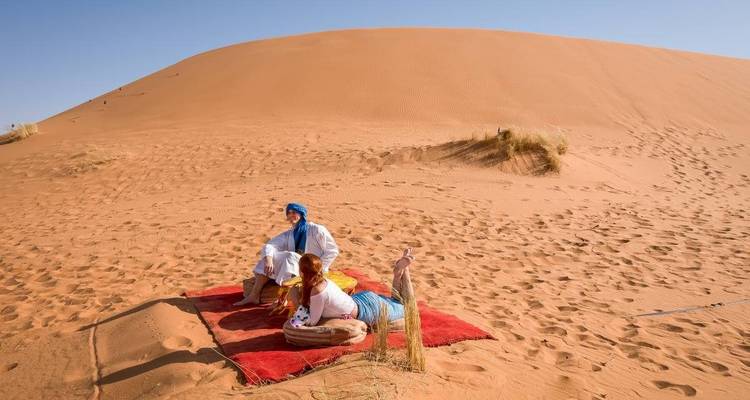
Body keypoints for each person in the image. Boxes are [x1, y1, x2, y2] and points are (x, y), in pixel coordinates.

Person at [234, 203, 339, 306]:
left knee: (290, 256)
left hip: (316, 271)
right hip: (297, 269)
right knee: (269, 257)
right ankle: (254, 295)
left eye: (294, 212)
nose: (291, 215)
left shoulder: (317, 230)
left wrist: (318, 269)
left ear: (301, 214)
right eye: (288, 213)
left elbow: (332, 250)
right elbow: (269, 245)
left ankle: (283, 298)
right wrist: (269, 260)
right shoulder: (289, 234)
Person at [293, 248, 415, 327]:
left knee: (408, 308)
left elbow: (312, 322)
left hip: (367, 310)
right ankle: (398, 273)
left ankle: (402, 271)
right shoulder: (324, 281)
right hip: (361, 299)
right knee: (395, 301)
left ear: (303, 273)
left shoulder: (317, 291)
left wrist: (296, 305)